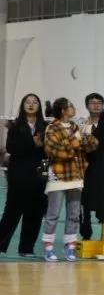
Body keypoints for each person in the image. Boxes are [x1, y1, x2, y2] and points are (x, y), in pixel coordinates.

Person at [41, 98, 98, 261]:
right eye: (70, 106)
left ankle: (70, 246)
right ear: (63, 110)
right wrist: (75, 140)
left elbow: (92, 146)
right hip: (58, 175)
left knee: (74, 214)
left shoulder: (76, 127)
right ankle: (48, 248)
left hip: (76, 175)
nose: (74, 108)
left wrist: (87, 134)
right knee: (53, 213)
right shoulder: (52, 127)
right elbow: (54, 150)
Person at [0, 94, 48, 257]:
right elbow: (11, 148)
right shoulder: (15, 125)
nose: (31, 105)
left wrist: (45, 173)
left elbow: (47, 153)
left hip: (39, 175)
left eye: (35, 102)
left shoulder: (45, 126)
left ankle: (26, 248)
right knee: (12, 211)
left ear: (39, 106)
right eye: (28, 102)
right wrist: (31, 143)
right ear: (23, 105)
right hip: (18, 175)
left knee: (35, 212)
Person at [81, 108, 104, 255]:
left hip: (91, 173)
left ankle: (86, 234)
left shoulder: (95, 133)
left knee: (86, 205)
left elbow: (86, 150)